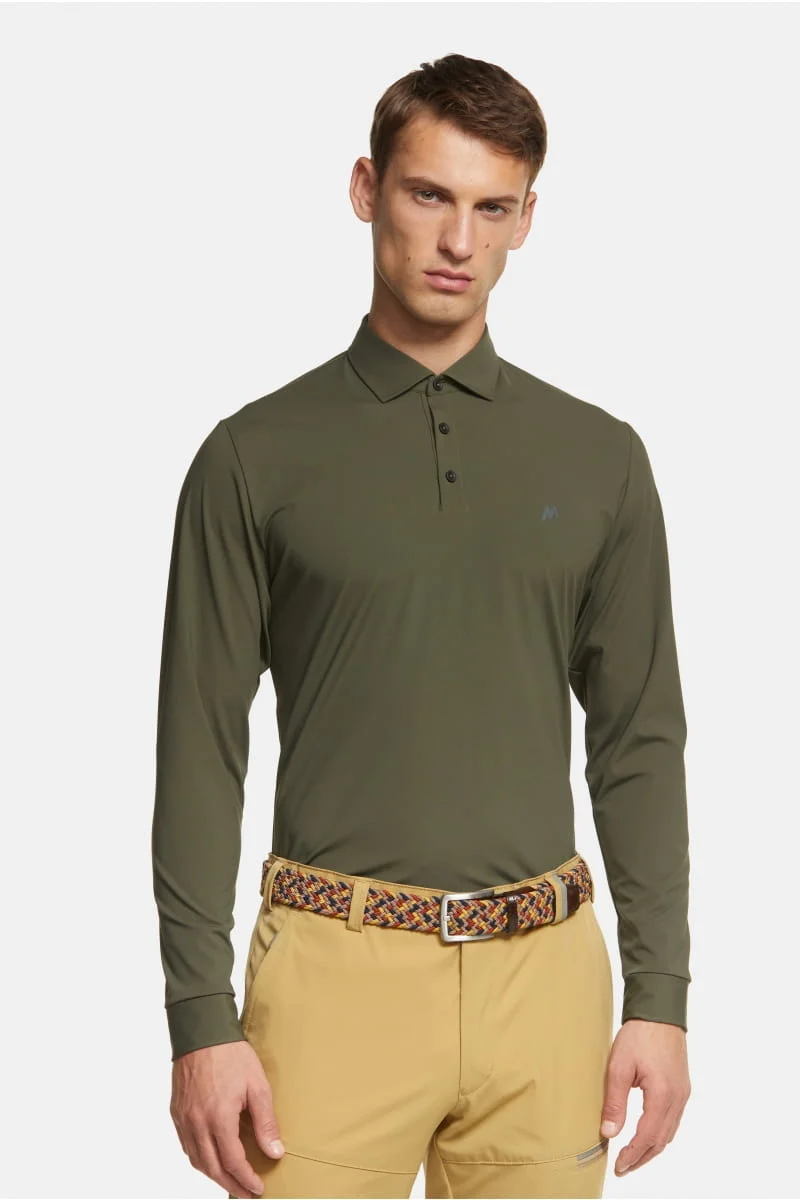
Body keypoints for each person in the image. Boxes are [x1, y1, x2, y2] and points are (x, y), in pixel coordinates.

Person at [151, 52, 692, 1200]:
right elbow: (199, 743)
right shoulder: (253, 456)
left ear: (526, 220)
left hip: (545, 986)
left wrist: (659, 997)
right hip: (329, 978)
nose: (457, 240)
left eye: (492, 207)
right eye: (428, 194)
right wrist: (199, 1013)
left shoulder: (599, 458)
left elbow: (637, 739)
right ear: (366, 190)